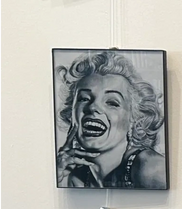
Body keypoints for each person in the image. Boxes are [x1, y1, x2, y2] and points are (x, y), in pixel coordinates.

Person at [55, 50, 168, 189]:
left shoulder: (151, 168)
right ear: (71, 112)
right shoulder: (77, 177)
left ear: (135, 118)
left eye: (112, 103)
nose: (93, 107)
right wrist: (57, 173)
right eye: (84, 99)